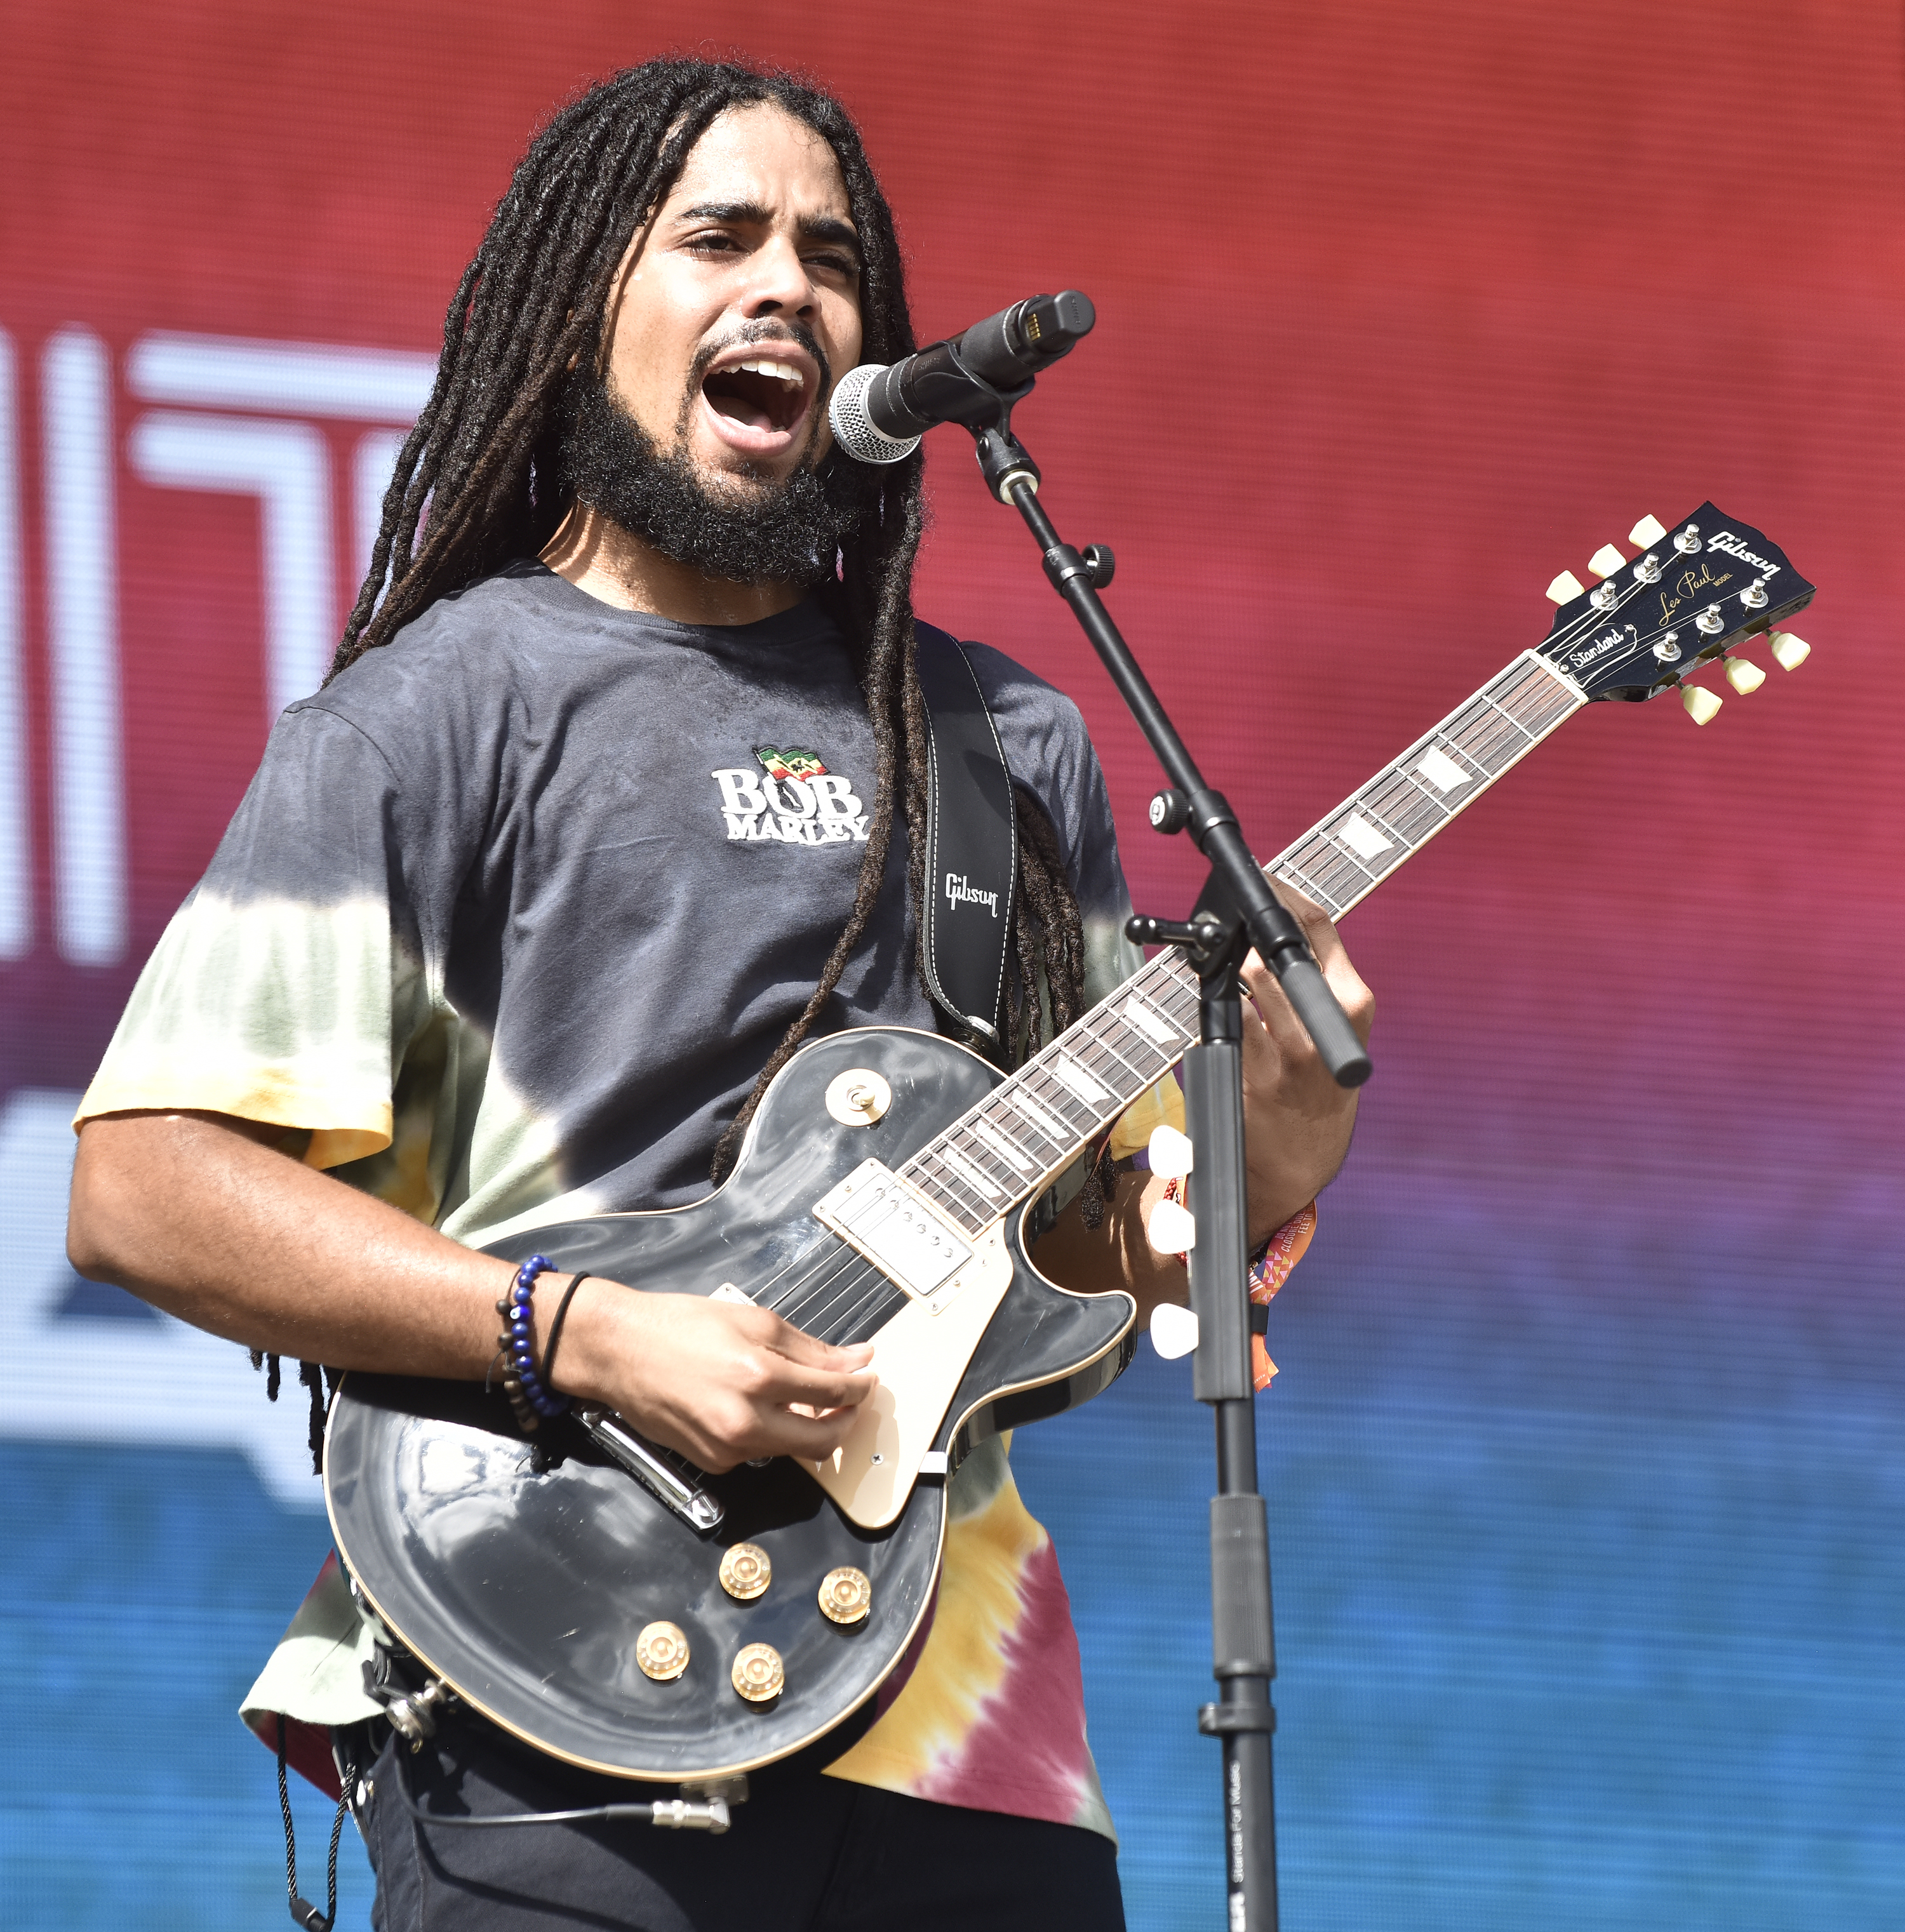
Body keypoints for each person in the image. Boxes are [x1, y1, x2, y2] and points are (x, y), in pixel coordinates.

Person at [66, 57, 1371, 1932]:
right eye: (722, 237)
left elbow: (1111, 1234)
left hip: (963, 1733)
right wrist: (585, 1334)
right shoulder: (434, 717)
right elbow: (144, 1182)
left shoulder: (1002, 743)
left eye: (833, 257)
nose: (790, 289)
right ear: (591, 297)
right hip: (549, 1689)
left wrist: (1286, 1107)